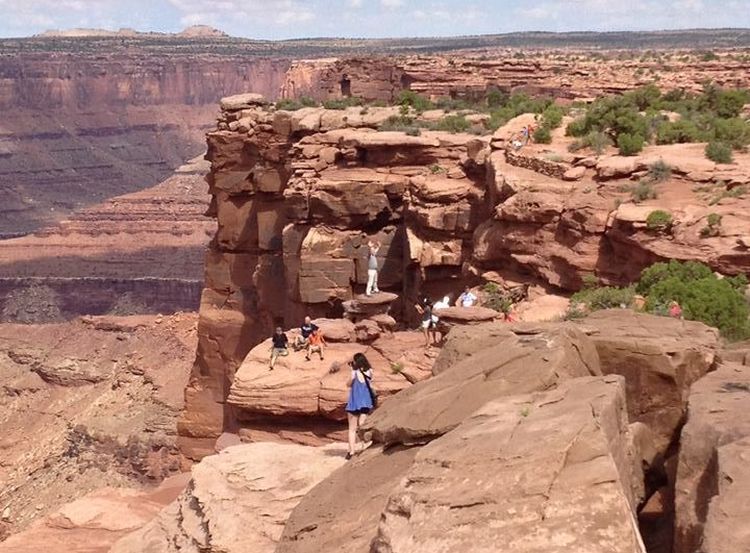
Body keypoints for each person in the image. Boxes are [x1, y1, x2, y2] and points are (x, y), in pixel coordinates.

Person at [345, 352, 374, 460]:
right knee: (362, 425)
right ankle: (364, 446)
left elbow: (348, 384)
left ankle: (351, 452)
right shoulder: (370, 371)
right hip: (366, 402)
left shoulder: (354, 372)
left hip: (354, 402)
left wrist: (351, 370)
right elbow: (371, 383)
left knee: (352, 429)